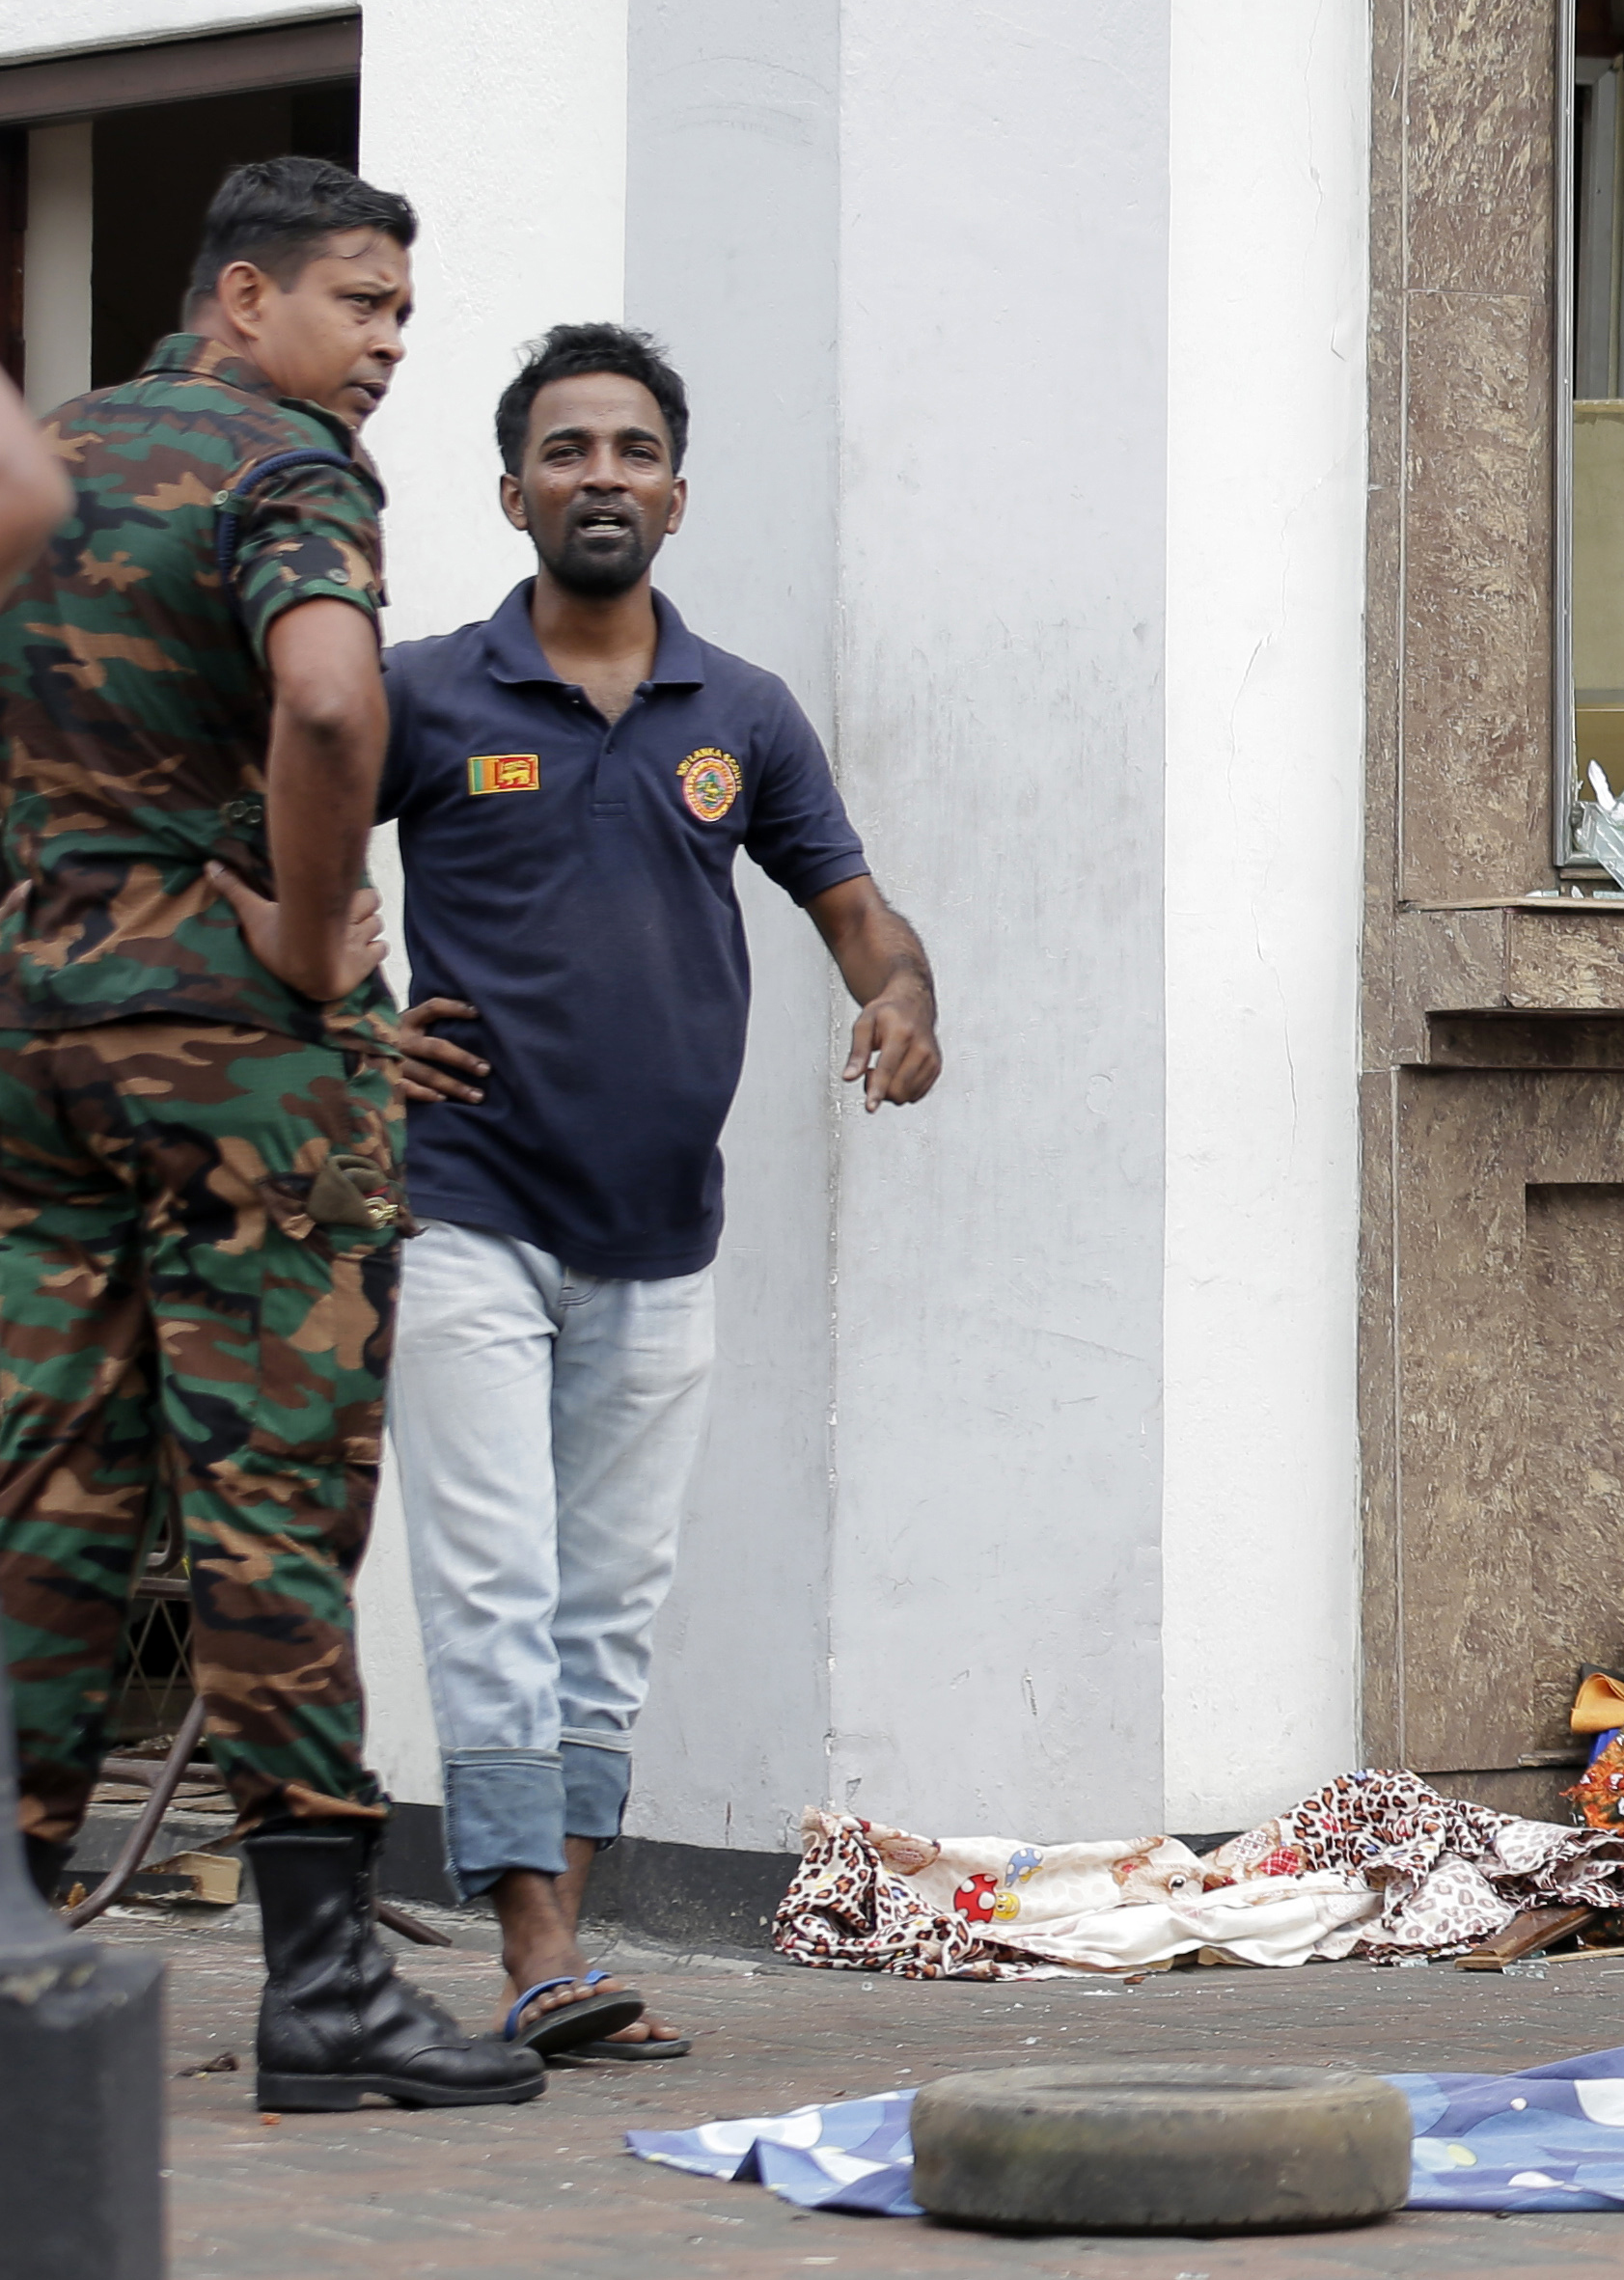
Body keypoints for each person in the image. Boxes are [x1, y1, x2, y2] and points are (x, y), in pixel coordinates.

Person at [0, 156, 556, 2107]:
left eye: (402, 313)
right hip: (244, 1072)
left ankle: (19, 1944)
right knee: (273, 1502)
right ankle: (323, 1987)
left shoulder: (49, 459)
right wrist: (320, 944)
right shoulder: (284, 464)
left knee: (47, 1497)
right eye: (357, 304)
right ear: (240, 300)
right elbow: (329, 708)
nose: (388, 345)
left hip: (37, 1049)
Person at [372, 321, 942, 2067]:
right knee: (492, 1582)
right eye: (565, 449)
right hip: (466, 1209)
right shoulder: (422, 693)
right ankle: (543, 1956)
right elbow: (270, 857)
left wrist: (902, 995)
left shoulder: (742, 713)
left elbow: (854, 908)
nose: (598, 474)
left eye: (630, 450)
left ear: (675, 496)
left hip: (659, 1235)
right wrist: (346, 1025)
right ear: (512, 491)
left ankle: (561, 1946)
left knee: (606, 1597)